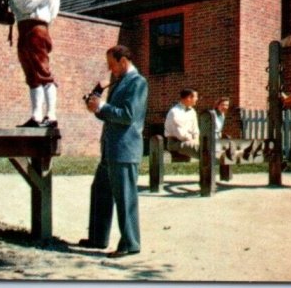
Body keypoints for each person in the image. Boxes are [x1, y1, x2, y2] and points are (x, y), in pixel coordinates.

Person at [79, 45, 148, 258]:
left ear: (123, 61)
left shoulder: (138, 82)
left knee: (125, 198)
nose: (110, 69)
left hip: (124, 150)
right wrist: (96, 107)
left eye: (112, 64)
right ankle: (98, 238)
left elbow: (127, 115)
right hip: (110, 150)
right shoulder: (120, 82)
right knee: (100, 191)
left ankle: (130, 243)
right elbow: (111, 115)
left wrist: (103, 106)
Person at [5, 0, 61, 128]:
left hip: (36, 29)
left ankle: (51, 116)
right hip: (27, 28)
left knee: (42, 72)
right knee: (32, 74)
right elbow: (21, 4)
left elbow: (26, 2)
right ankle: (36, 116)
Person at [164, 88, 201, 159]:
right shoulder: (174, 112)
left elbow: (195, 129)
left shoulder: (192, 111)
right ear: (189, 98)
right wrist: (193, 141)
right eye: (196, 97)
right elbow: (181, 134)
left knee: (207, 147)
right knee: (202, 150)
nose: (197, 99)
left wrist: (196, 139)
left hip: (191, 141)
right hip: (176, 143)